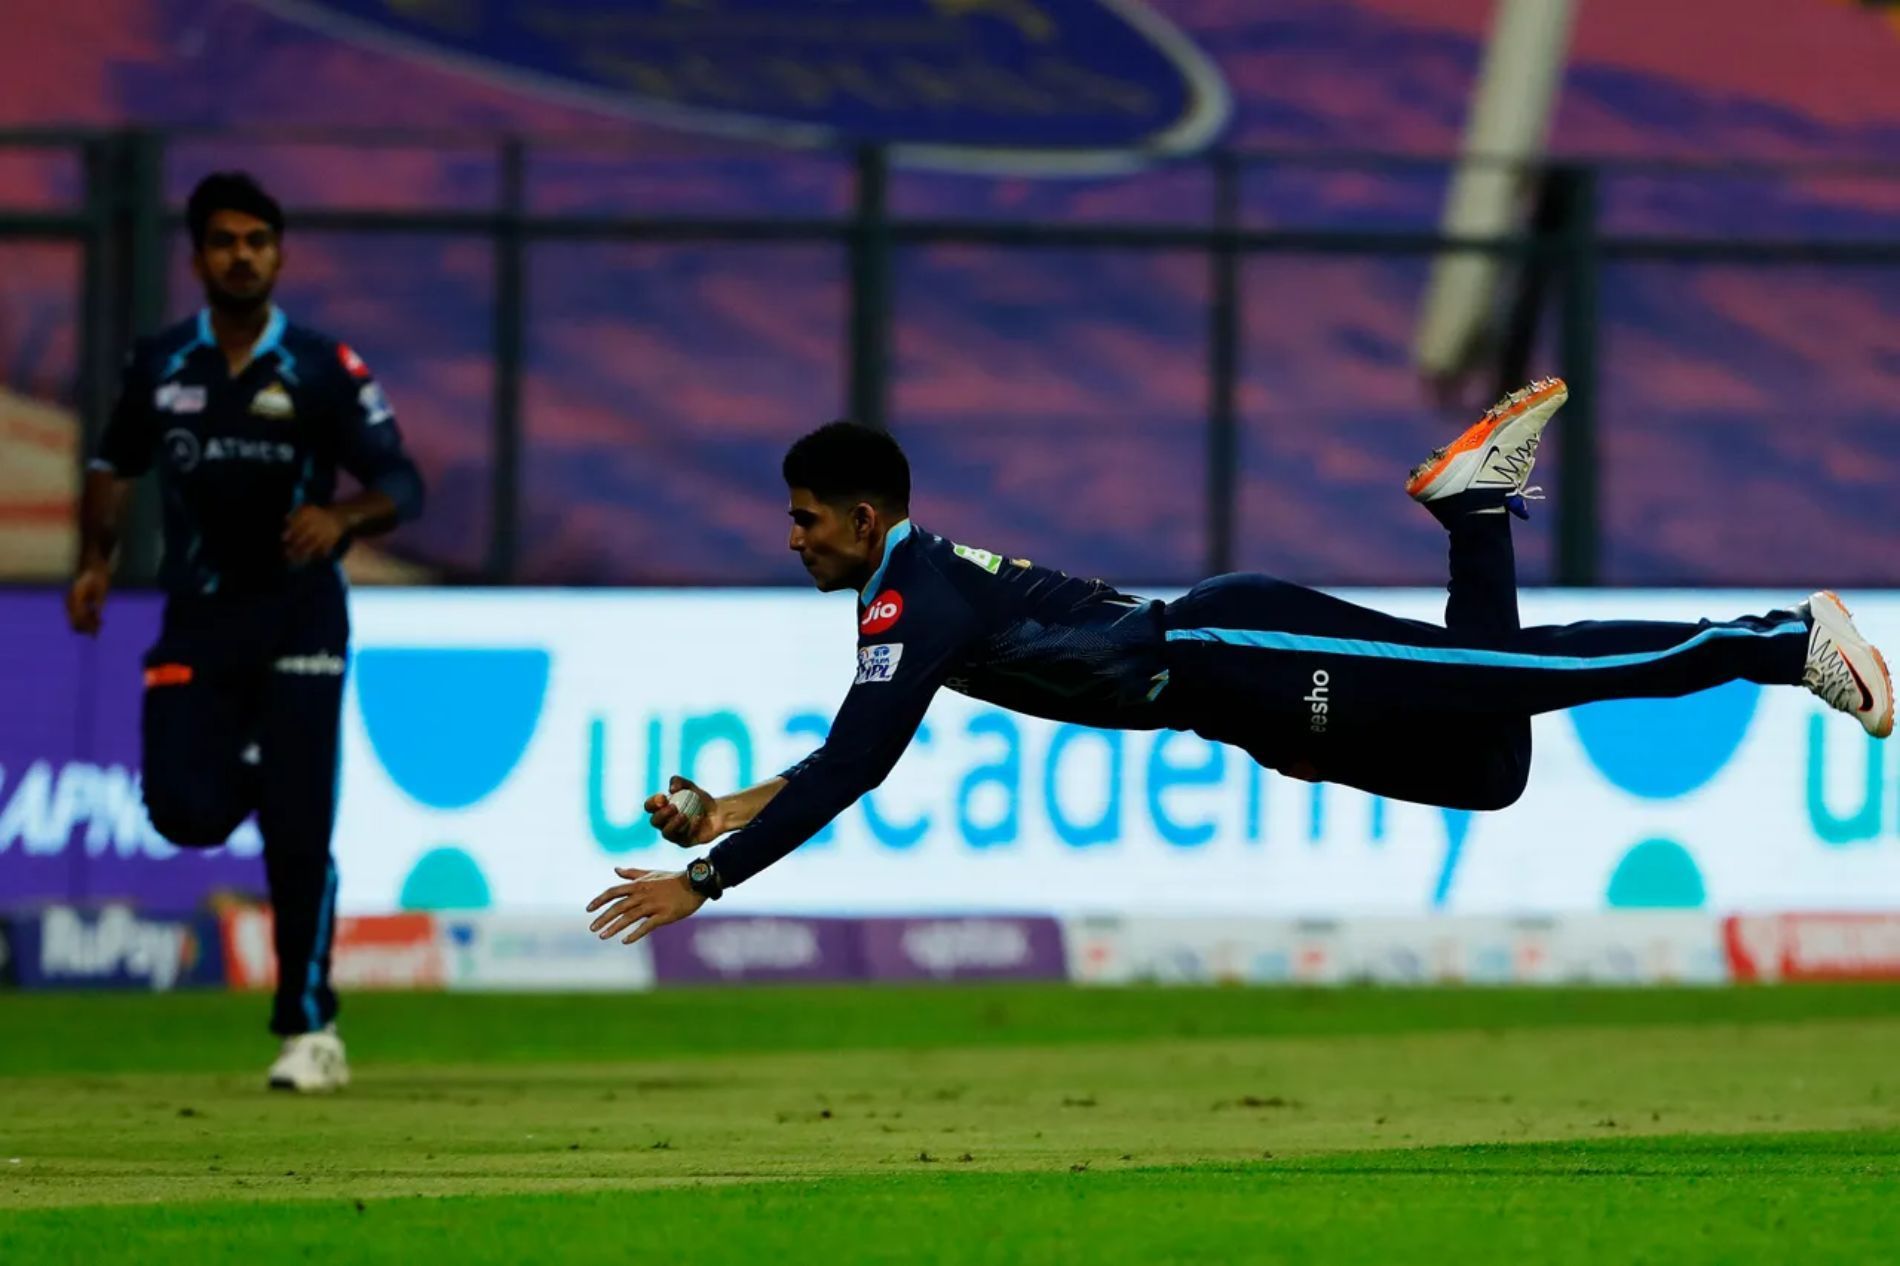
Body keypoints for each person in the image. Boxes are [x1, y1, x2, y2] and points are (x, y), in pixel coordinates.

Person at [587, 381, 1891, 942]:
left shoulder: (905, 599)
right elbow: (840, 758)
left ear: (866, 516)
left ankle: (1775, 640)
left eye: (809, 514)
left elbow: (858, 765)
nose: (794, 535)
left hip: (1228, 644)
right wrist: (720, 811)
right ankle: (1478, 506)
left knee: (1514, 681)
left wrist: (710, 873)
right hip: (1241, 703)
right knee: (1491, 765)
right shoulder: (900, 597)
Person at [67, 172, 424, 1092]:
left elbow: (402, 483)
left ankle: (310, 1031)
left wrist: (345, 520)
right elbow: (113, 462)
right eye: (225, 241)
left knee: (299, 836)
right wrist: (96, 560)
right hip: (199, 616)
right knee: (182, 811)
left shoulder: (320, 365)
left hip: (301, 618)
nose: (242, 255)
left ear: (279, 253)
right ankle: (264, 768)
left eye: (258, 240)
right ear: (198, 257)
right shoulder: (161, 364)